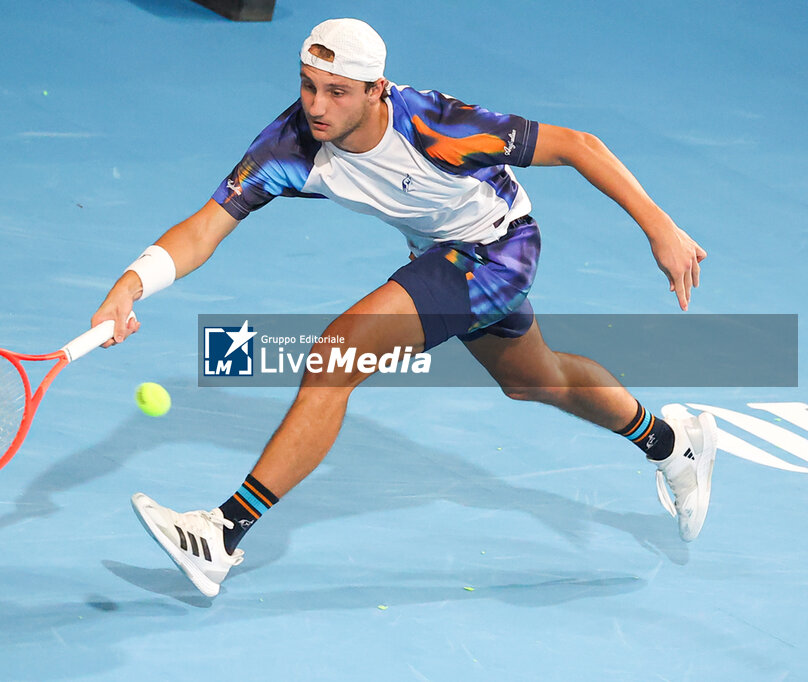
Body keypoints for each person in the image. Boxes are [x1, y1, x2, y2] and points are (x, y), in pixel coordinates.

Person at [91, 18, 717, 598]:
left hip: (497, 249)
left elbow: (580, 145)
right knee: (534, 380)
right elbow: (205, 227)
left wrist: (660, 229)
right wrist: (131, 284)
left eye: (338, 92)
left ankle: (222, 534)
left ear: (376, 91)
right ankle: (670, 444)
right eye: (308, 86)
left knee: (336, 356)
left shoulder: (439, 127)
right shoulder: (292, 143)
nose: (316, 106)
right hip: (440, 249)